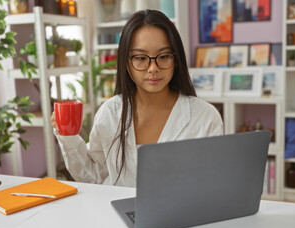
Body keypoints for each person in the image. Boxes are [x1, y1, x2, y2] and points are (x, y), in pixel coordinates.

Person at [51, 10, 224, 187]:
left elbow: (211, 184)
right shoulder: (109, 113)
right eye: (141, 58)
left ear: (176, 59)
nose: (153, 68)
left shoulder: (205, 117)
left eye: (163, 56)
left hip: (182, 214)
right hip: (115, 213)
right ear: (126, 63)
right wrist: (68, 137)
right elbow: (94, 176)